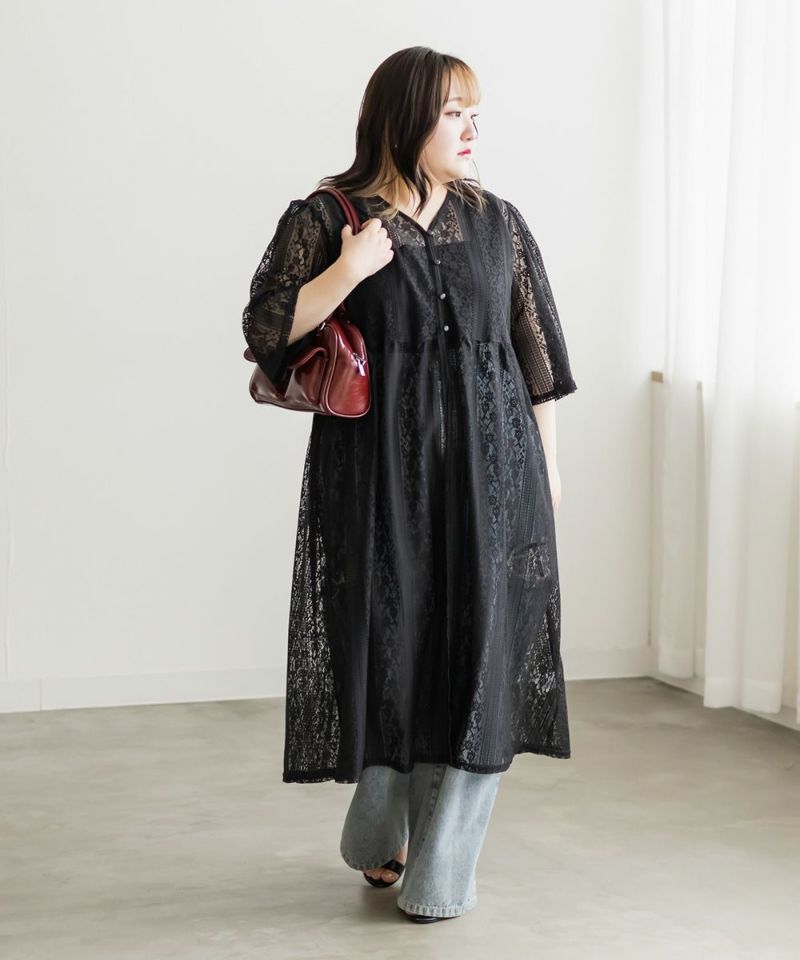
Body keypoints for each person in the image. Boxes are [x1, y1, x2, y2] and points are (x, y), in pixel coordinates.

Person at [241, 46, 578, 923]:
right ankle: (376, 831)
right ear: (404, 119)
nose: (471, 131)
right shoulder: (329, 216)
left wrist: (547, 480)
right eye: (453, 113)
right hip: (375, 482)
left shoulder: (498, 223)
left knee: (481, 666)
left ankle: (440, 878)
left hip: (493, 478)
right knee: (393, 659)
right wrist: (348, 271)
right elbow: (267, 328)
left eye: (475, 115)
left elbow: (537, 364)